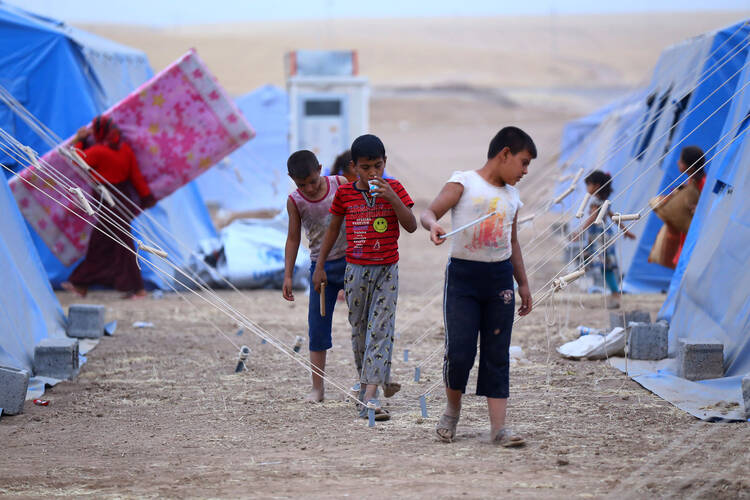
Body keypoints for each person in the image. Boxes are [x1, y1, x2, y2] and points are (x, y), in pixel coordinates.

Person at [420, 126, 535, 446]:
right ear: (505, 154)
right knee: (460, 352)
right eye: (523, 163)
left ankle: (499, 429)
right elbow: (428, 213)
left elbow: (511, 242)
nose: (525, 171)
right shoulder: (464, 182)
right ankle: (451, 412)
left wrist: (523, 284)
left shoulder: (512, 196)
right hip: (463, 280)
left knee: (497, 354)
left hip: (499, 281)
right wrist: (434, 226)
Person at [312, 134, 416, 421]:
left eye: (378, 166)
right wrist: (319, 266)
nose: (373, 173)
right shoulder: (345, 195)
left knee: (381, 329)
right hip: (355, 271)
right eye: (366, 167)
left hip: (387, 270)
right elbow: (332, 230)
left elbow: (411, 225)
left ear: (385, 163)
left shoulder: (394, 188)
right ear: (353, 167)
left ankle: (371, 396)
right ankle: (367, 385)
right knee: (360, 330)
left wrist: (392, 198)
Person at [62, 116, 155, 299]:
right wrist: (146, 197)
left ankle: (135, 288)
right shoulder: (126, 150)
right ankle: (83, 284)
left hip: (107, 202)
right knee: (115, 244)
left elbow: (75, 159)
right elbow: (135, 176)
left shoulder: (98, 152)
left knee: (111, 244)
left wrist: (79, 140)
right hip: (123, 200)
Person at [282, 150, 349, 402]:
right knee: (318, 327)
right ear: (291, 179)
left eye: (313, 181)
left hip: (352, 262)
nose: (309, 189)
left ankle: (365, 383)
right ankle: (317, 388)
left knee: (361, 323)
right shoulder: (295, 201)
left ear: (320, 169)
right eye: (302, 184)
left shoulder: (340, 185)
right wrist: (288, 275)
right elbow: (293, 238)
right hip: (320, 269)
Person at [569, 170, 635, 308]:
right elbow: (613, 216)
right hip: (602, 237)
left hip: (600, 238)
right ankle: (613, 292)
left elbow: (592, 218)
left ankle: (615, 293)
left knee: (603, 266)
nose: (587, 189)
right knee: (604, 266)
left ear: (596, 186)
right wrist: (625, 230)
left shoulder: (596, 202)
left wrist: (579, 232)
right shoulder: (604, 202)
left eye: (589, 185)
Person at [671, 146, 706, 266]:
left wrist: (700, 209)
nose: (678, 162)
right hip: (687, 230)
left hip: (695, 232)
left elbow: (707, 205)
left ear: (690, 167)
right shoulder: (692, 180)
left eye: (681, 160)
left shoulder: (703, 183)